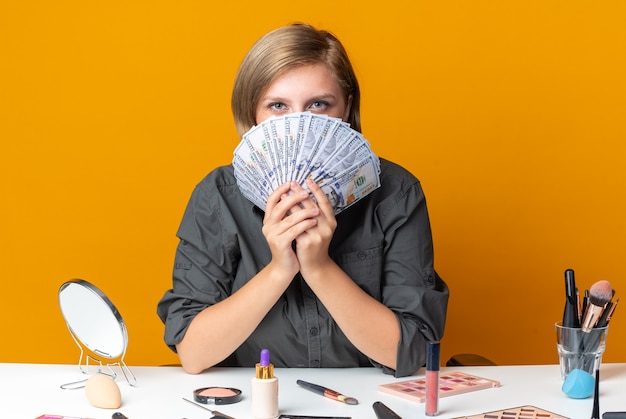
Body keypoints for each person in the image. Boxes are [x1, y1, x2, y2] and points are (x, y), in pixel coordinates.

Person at [157, 23, 449, 378]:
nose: (298, 124)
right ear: (253, 115)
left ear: (346, 108)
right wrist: (280, 269)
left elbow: (411, 350)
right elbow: (194, 353)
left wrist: (319, 267)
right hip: (255, 401)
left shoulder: (395, 192)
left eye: (318, 105)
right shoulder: (219, 196)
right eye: (278, 105)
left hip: (363, 403)